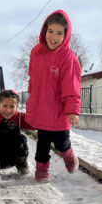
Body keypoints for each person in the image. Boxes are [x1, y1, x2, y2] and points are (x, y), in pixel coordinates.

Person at [25, 10, 81, 183]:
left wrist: (73, 110)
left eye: (59, 33)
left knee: (61, 144)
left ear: (66, 35)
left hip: (58, 111)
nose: (53, 37)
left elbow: (71, 87)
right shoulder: (36, 52)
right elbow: (33, 78)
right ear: (44, 31)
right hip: (42, 108)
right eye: (50, 31)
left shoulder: (68, 58)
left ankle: (69, 156)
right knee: (42, 143)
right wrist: (32, 98)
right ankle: (41, 171)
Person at [0, 90, 34, 181]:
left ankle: (22, 166)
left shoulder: (19, 117)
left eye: (12, 107)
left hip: (13, 157)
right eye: (5, 106)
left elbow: (37, 123)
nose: (8, 110)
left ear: (17, 107)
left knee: (20, 138)